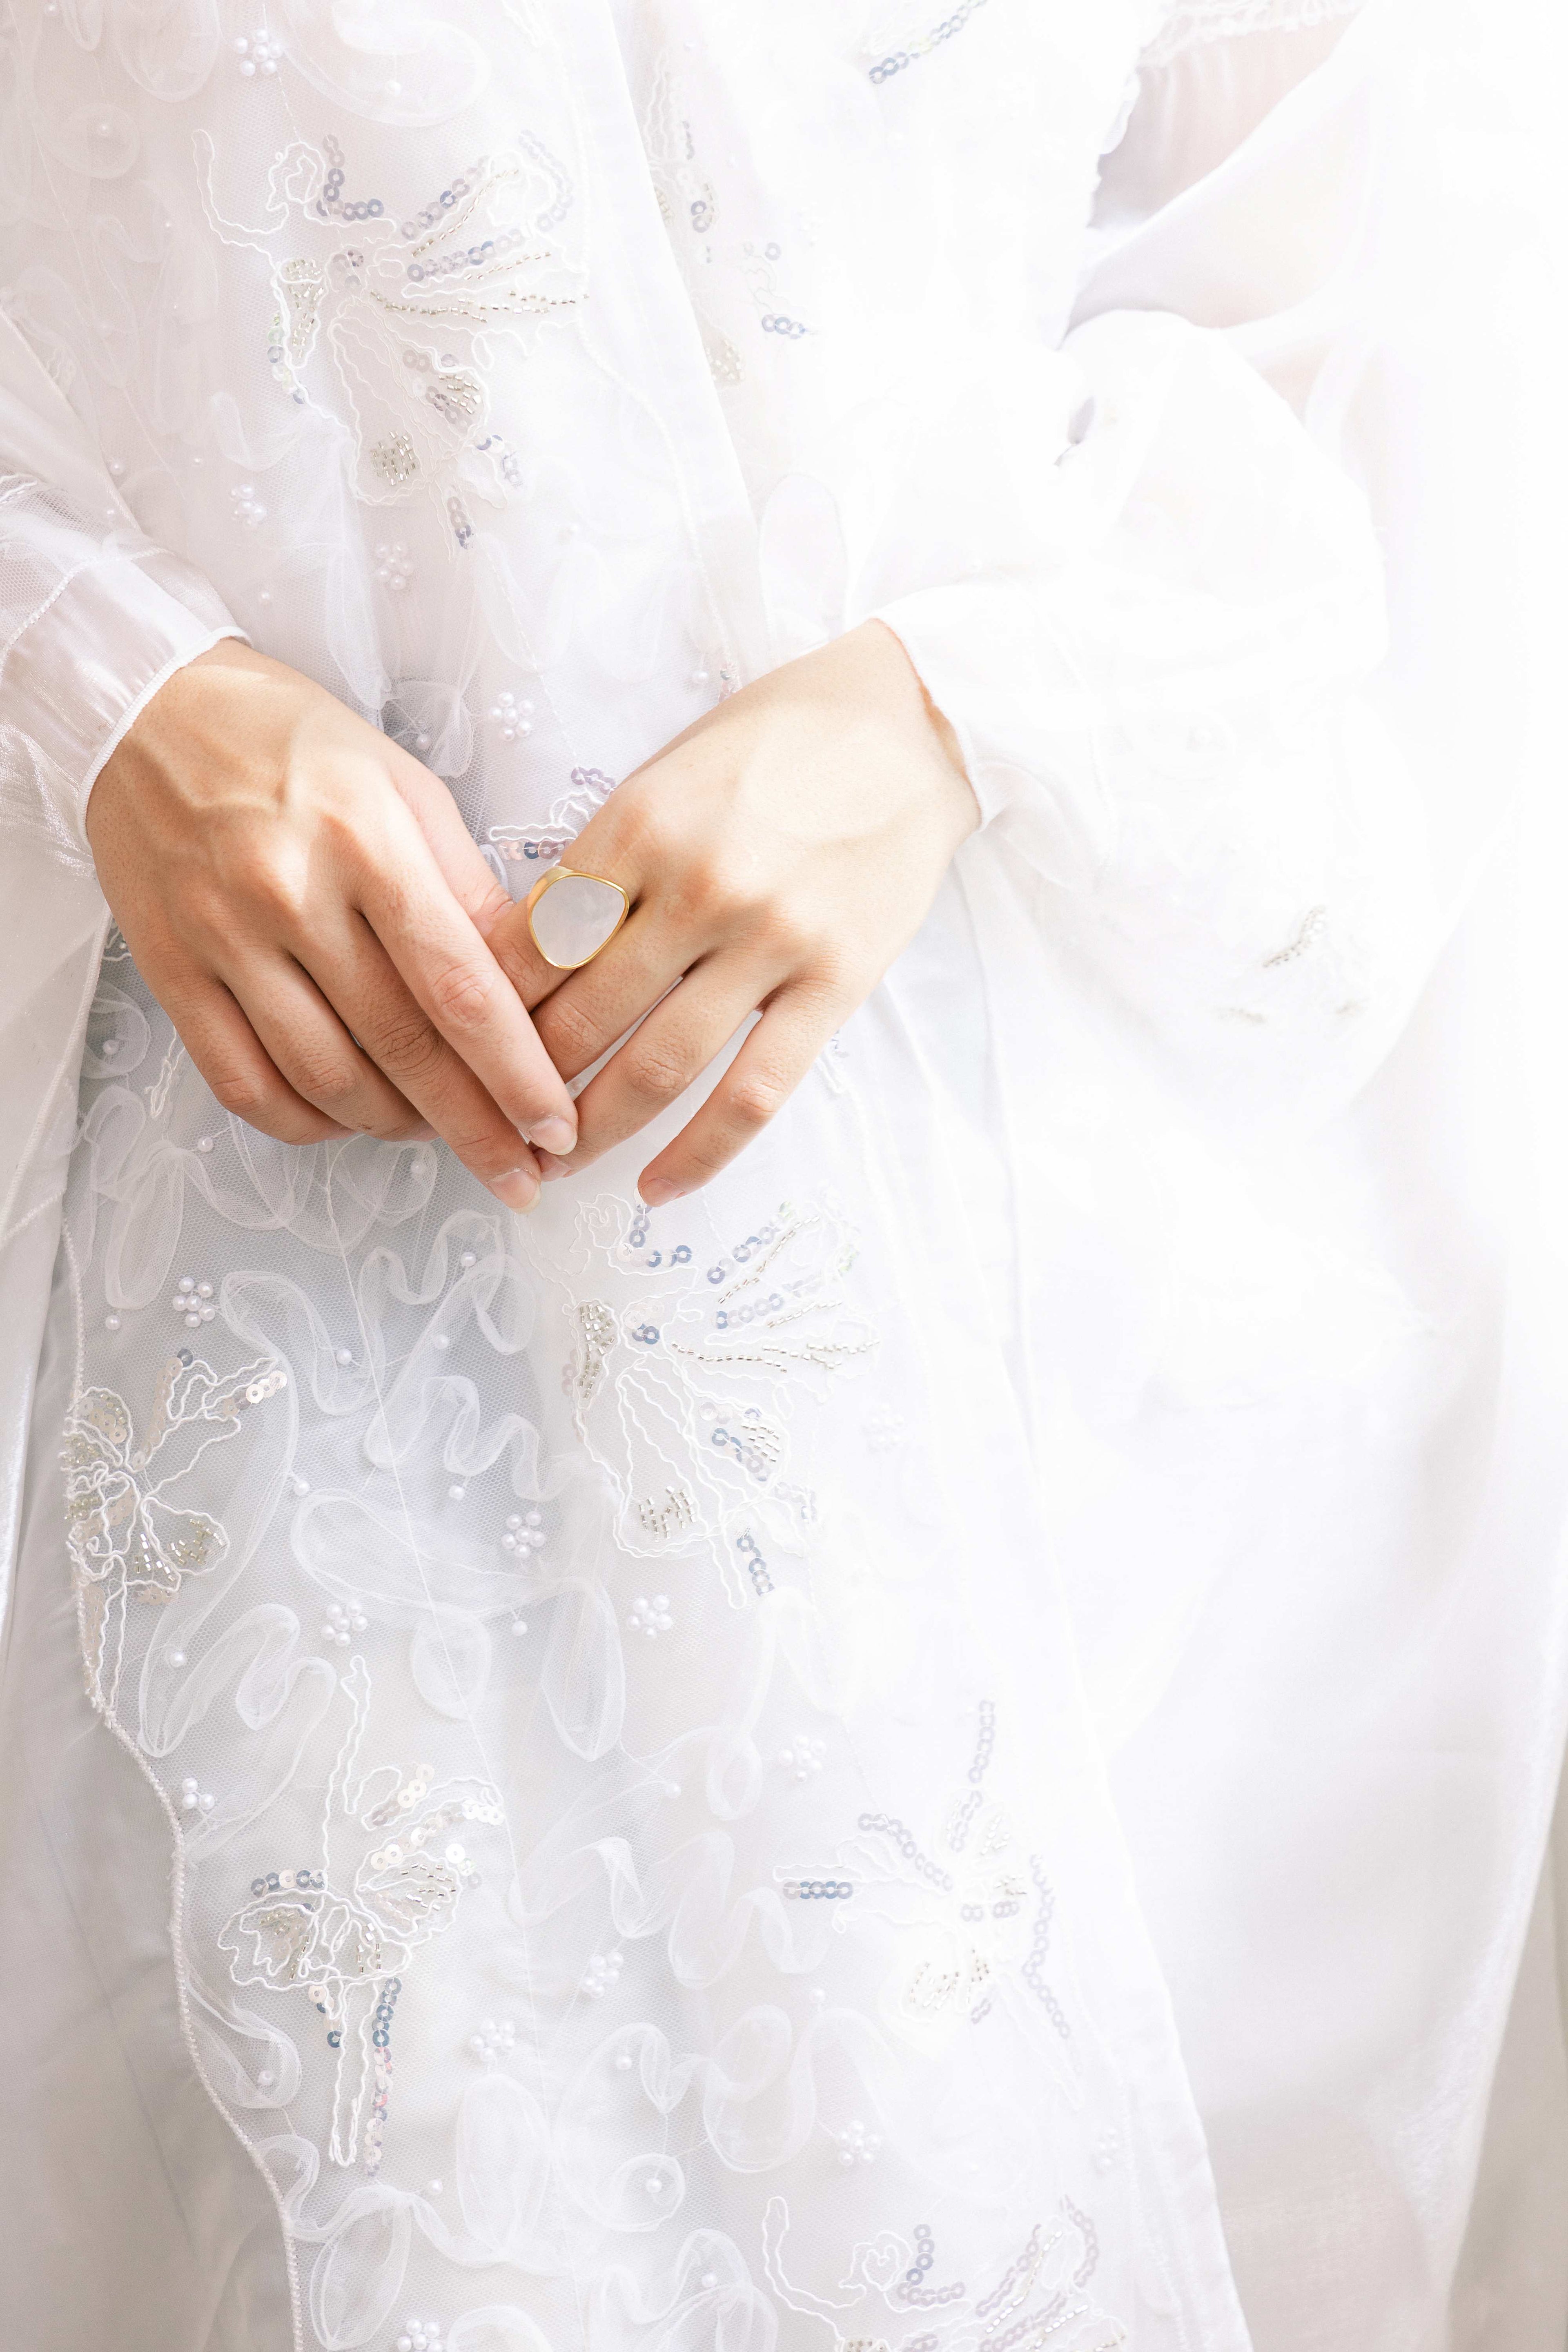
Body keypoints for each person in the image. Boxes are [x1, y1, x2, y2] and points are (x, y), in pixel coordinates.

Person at [0, 2, 1559, 2345]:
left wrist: (950, 707)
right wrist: (88, 670)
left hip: (1015, 1296)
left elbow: (1389, 286)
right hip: (243, 1305)